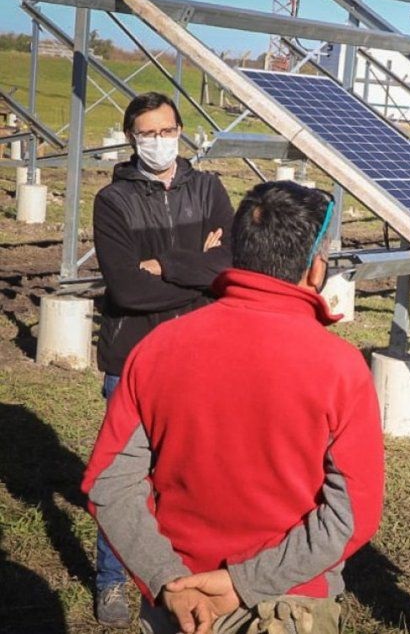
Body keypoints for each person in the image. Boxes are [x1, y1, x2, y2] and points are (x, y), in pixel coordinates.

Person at [82, 181, 385, 634]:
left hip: (178, 604)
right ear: (316, 268)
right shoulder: (341, 368)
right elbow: (352, 513)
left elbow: (110, 482)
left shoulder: (158, 348)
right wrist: (242, 584)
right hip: (288, 605)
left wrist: (167, 580)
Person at [91, 92, 234, 627]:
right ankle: (112, 580)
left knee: (192, 473)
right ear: (132, 138)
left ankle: (184, 573)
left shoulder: (209, 187)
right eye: (147, 133)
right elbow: (127, 290)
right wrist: (198, 274)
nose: (158, 141)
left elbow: (230, 264)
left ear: (181, 131)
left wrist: (165, 265)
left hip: (200, 352)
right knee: (122, 476)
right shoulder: (114, 201)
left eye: (166, 130)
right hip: (134, 354)